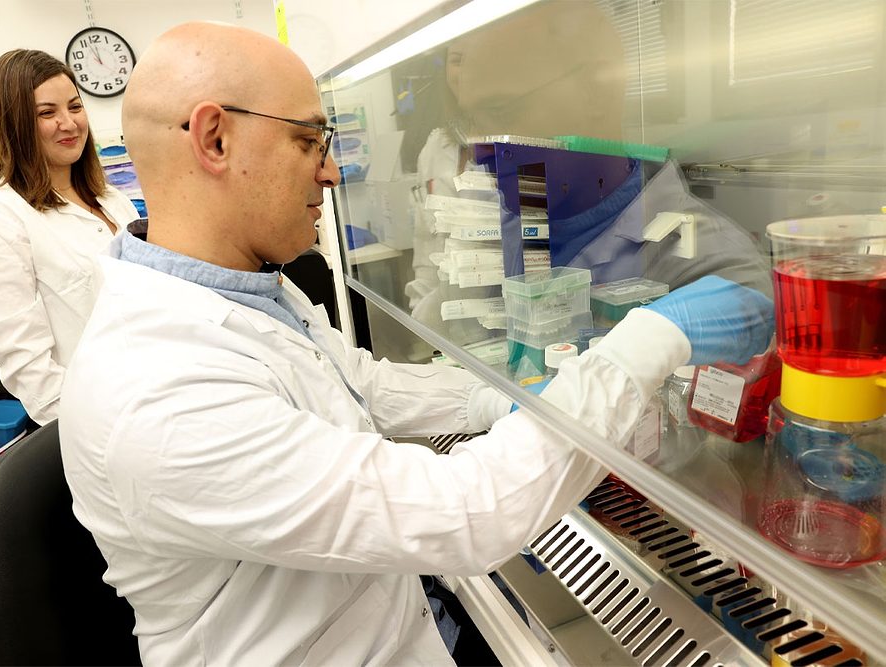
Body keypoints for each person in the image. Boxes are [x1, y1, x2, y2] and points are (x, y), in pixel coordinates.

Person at [58, 22, 774, 665]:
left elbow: (360, 384)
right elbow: (470, 510)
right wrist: (646, 340)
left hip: (391, 617)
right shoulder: (155, 392)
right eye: (308, 141)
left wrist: (503, 398)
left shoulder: (244, 289)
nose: (332, 172)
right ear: (214, 139)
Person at [405, 1, 771, 347]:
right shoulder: (506, 228)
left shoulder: (709, 264)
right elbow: (438, 333)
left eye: (501, 111)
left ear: (596, 91)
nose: (480, 155)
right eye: (471, 123)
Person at [0, 49, 139, 425]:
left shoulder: (113, 201)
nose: (68, 123)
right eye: (46, 113)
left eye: (74, 106)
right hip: (105, 427)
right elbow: (30, 371)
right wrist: (106, 429)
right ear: (15, 124)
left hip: (163, 399)